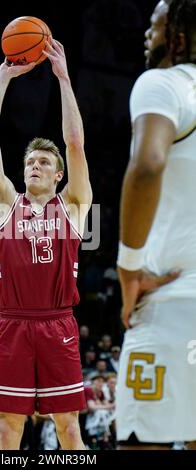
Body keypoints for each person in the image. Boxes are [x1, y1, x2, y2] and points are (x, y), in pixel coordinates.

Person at [0, 39, 93, 450]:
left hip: (58, 323)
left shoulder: (75, 206)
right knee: (9, 430)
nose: (34, 165)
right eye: (29, 161)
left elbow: (75, 144)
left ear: (58, 174)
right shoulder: (5, 204)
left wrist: (63, 78)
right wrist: (2, 77)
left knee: (69, 429)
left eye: (44, 162)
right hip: (13, 323)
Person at [116, 0, 196, 450]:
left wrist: (129, 268)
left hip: (173, 305)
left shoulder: (162, 82)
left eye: (155, 23)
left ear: (178, 36)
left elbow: (147, 165)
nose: (148, 32)